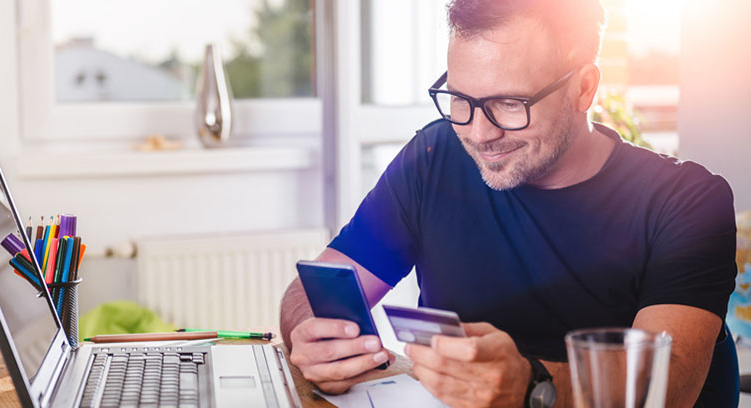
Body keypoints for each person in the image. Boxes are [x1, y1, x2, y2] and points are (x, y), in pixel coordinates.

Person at [279, 0, 738, 406]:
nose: (480, 133)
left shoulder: (688, 202)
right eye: (460, 99)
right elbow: (312, 289)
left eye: (511, 103)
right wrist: (311, 334)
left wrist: (533, 389)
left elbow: (671, 386)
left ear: (584, 88)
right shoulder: (434, 157)